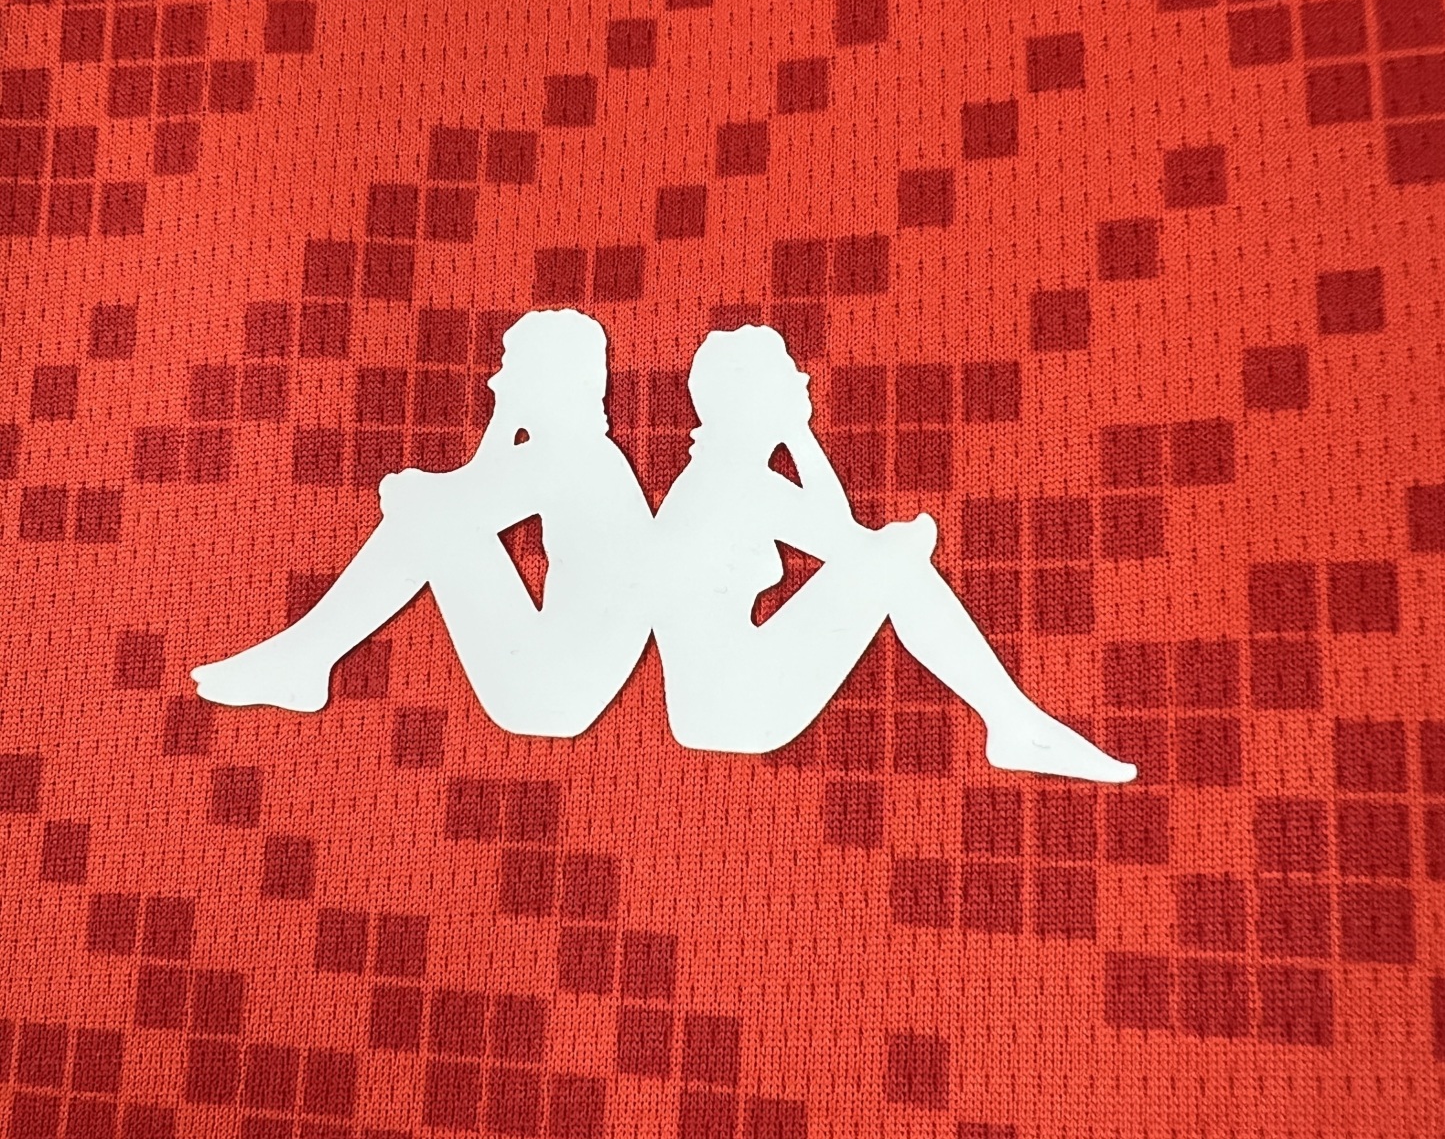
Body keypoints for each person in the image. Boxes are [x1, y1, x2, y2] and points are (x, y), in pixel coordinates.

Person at [648, 325, 1137, 783]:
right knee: (894, 561)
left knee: (891, 556)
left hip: (716, 707)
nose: (803, 379)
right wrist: (899, 545)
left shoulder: (721, 477)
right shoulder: (733, 485)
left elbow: (837, 530)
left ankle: (1013, 721)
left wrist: (799, 434)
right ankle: (1013, 723)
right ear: (751, 398)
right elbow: (846, 541)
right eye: (786, 373)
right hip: (734, 707)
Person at [191, 309, 656, 738]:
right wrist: (503, 419)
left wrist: (418, 488)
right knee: (432, 513)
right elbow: (475, 485)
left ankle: (302, 659)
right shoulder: (584, 455)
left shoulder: (569, 458)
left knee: (428, 516)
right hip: (553, 690)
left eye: (510, 369)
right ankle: (303, 657)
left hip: (545, 693)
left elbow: (456, 499)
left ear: (546, 379)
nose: (495, 382)